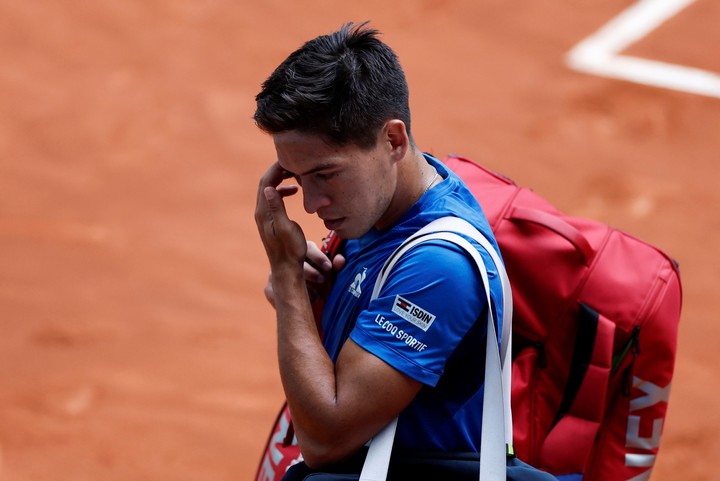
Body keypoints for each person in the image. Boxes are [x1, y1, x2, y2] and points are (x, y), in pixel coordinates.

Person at [253, 22, 505, 471]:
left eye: (325, 175)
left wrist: (289, 281)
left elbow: (326, 440)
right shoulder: (380, 205)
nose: (311, 205)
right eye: (297, 177)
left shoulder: (437, 268)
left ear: (393, 140)